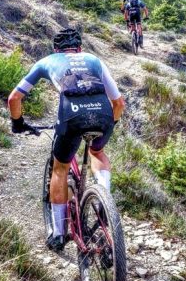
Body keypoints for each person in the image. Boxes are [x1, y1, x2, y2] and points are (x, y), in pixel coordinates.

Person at [7, 28, 125, 252]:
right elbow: (119, 103)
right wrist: (111, 124)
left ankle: (59, 234)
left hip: (72, 115)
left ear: (56, 49)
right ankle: (103, 200)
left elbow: (14, 97)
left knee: (60, 169)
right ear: (79, 48)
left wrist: (18, 123)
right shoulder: (94, 60)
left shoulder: (46, 61)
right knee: (97, 152)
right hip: (103, 115)